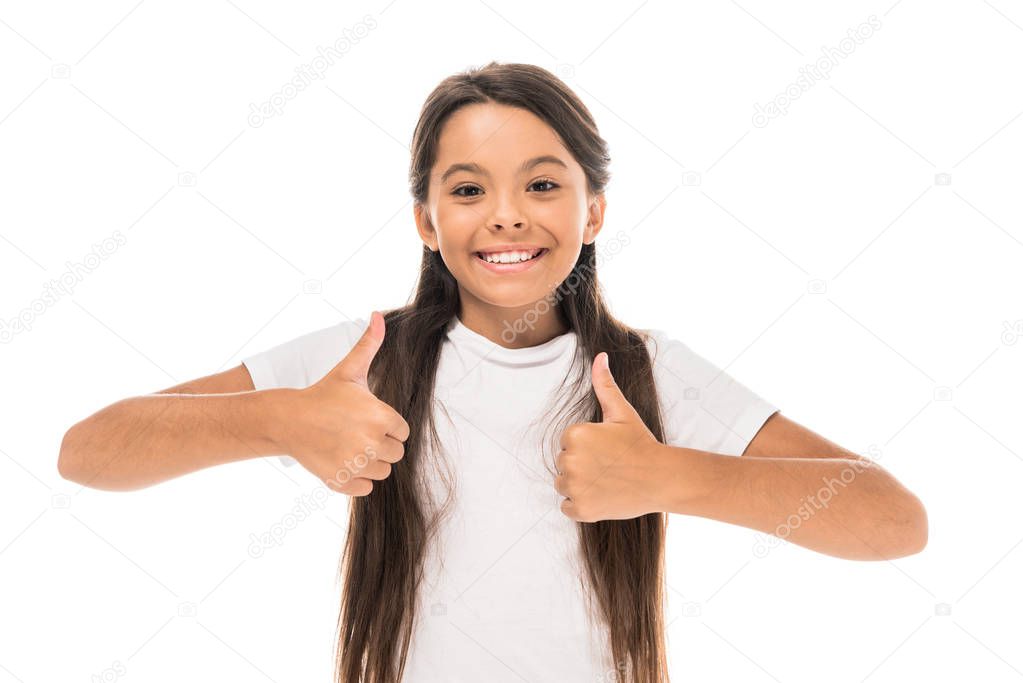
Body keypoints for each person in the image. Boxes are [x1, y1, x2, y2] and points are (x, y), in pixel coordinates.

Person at [58, 61, 928, 683]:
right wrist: (277, 418)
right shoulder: (361, 358)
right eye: (468, 190)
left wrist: (673, 474)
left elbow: (892, 520)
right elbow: (88, 452)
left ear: (592, 211)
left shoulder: (647, 376)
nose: (506, 216)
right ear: (426, 222)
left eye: (541, 185)